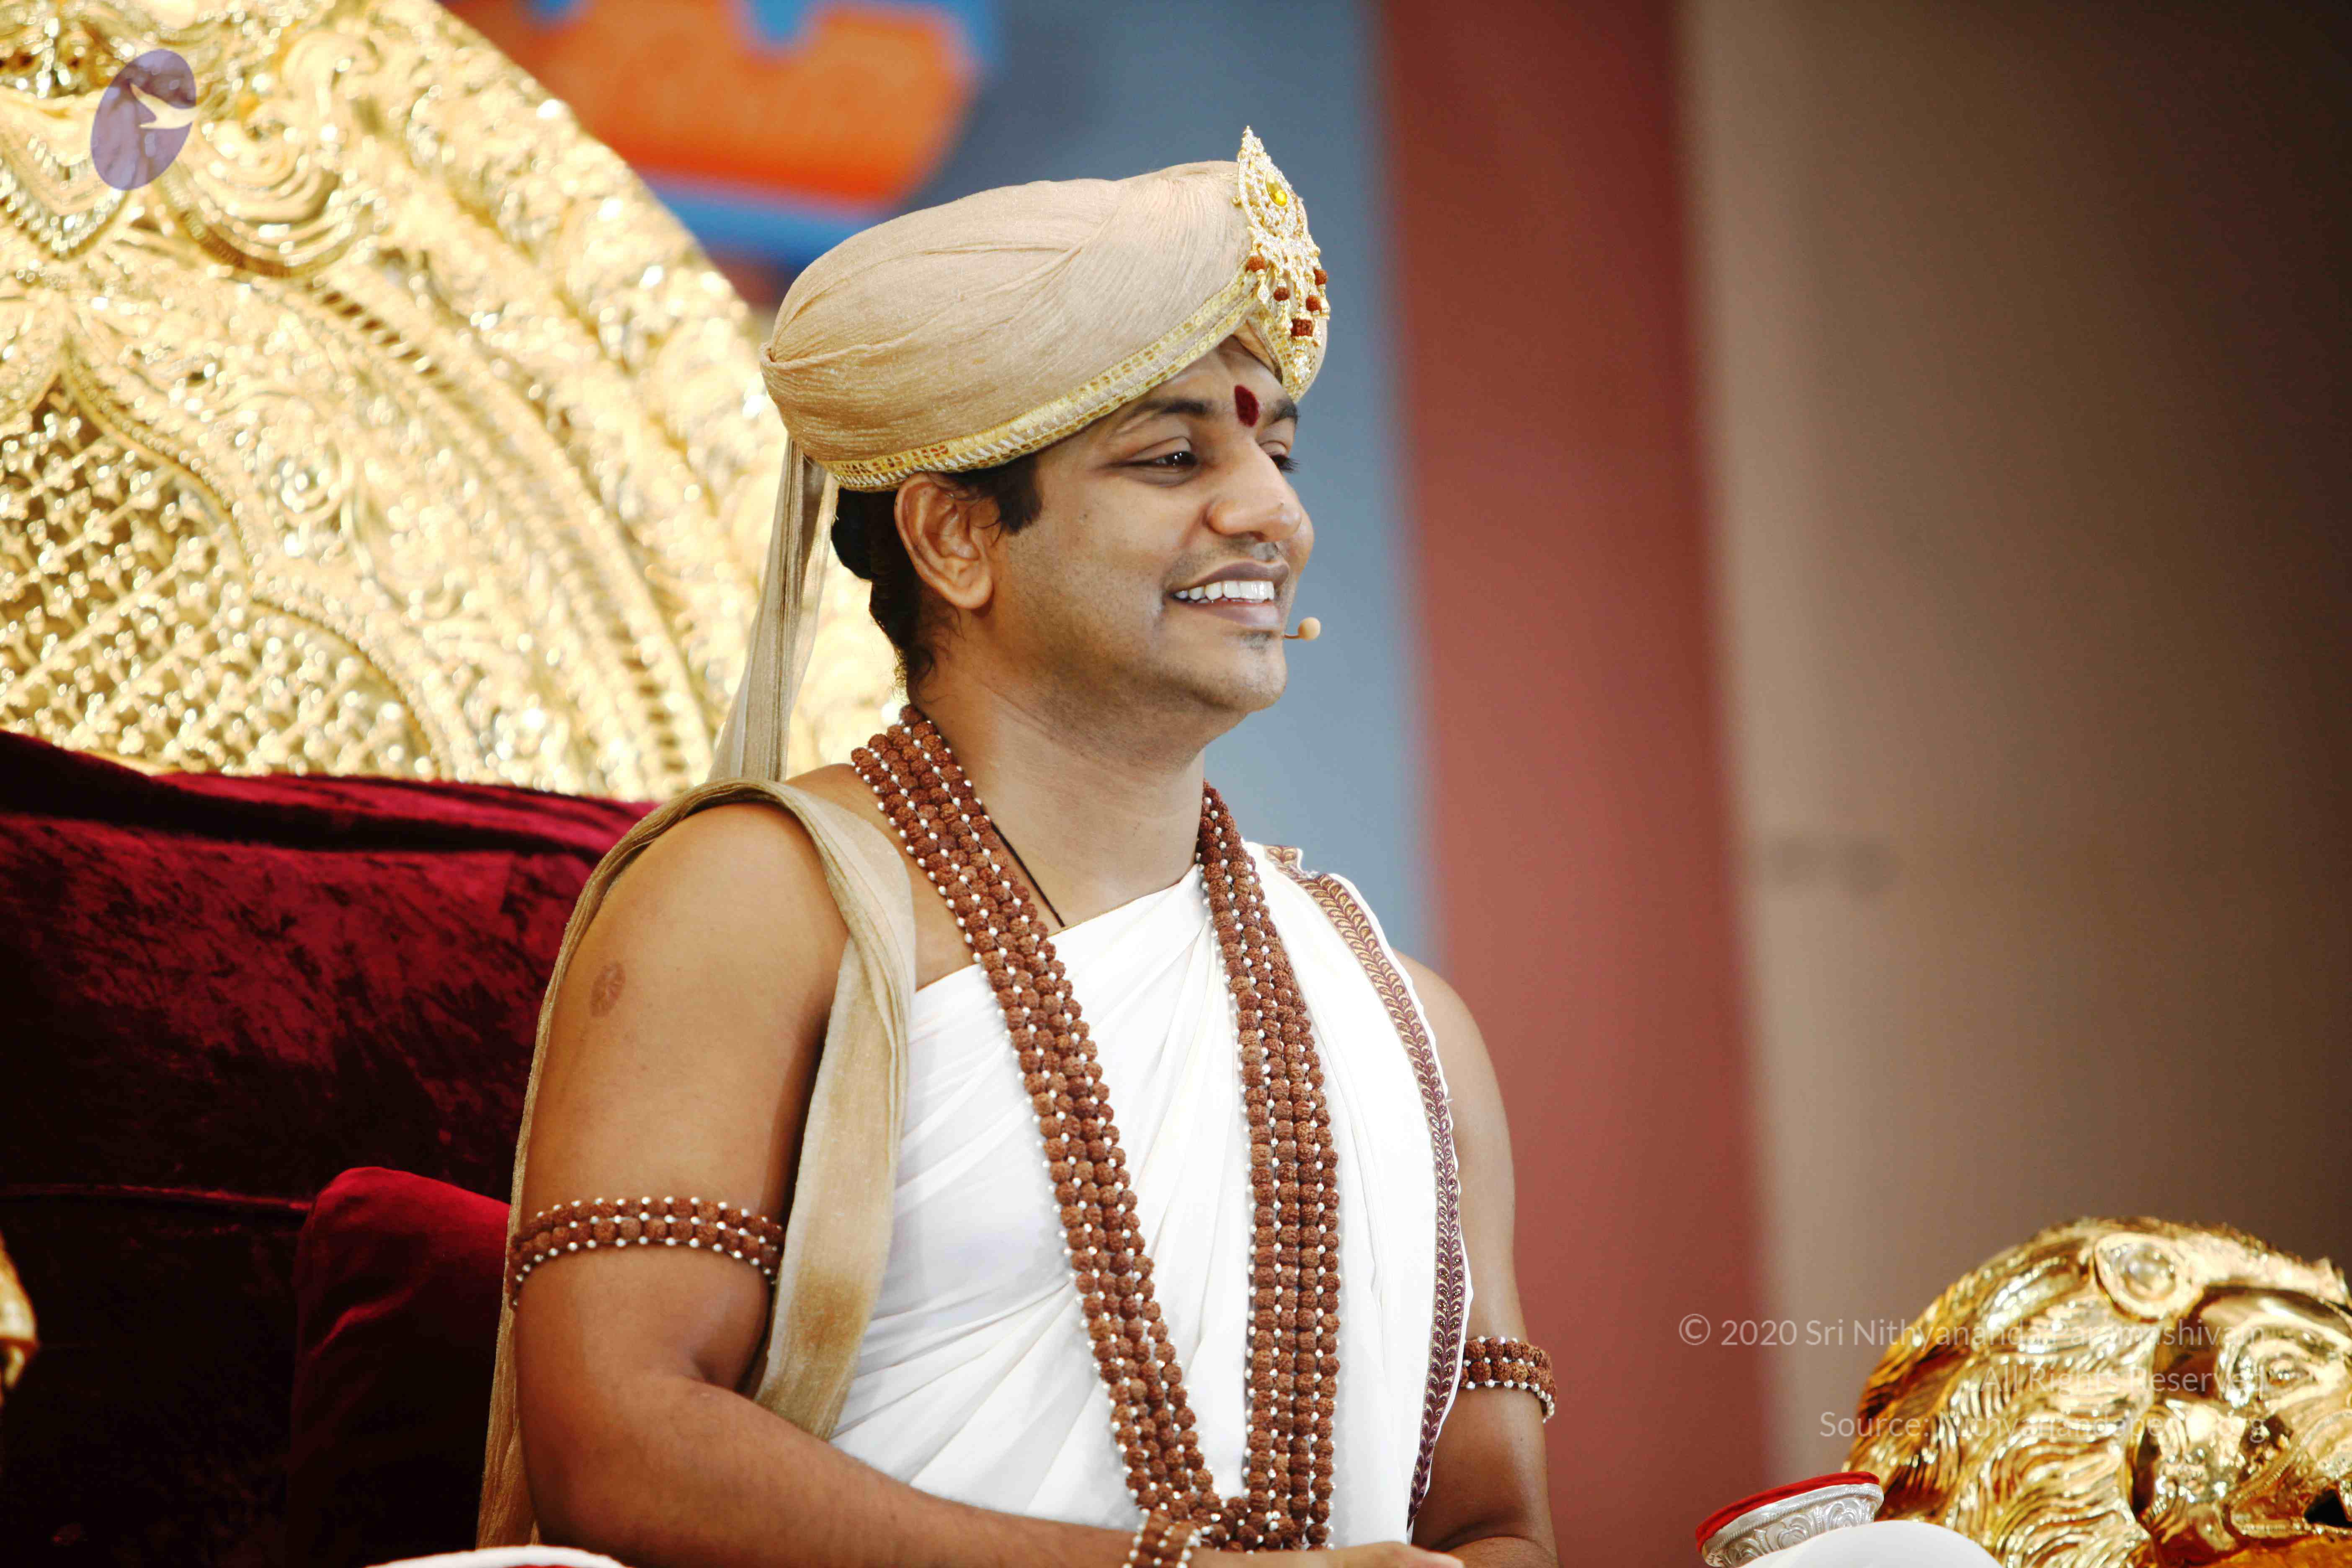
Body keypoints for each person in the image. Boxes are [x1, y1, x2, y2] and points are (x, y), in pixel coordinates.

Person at [478, 132, 1558, 1568]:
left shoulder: (1408, 1025)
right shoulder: (757, 903)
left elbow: (1493, 1529)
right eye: (1173, 456)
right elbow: (619, 1449)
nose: (1275, 513)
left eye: (1278, 452)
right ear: (954, 538)